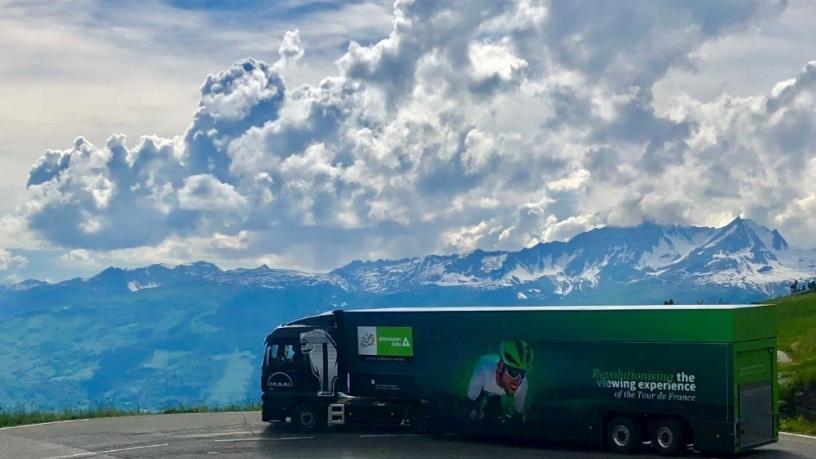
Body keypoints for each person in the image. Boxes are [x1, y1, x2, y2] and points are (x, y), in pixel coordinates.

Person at [466, 340, 533, 422]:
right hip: (485, 376)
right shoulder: (483, 371)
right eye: (514, 372)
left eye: (522, 373)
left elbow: (518, 411)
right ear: (500, 367)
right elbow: (471, 399)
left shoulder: (523, 382)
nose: (518, 380)